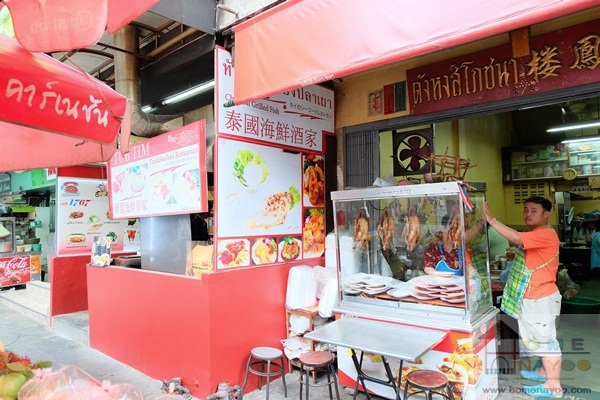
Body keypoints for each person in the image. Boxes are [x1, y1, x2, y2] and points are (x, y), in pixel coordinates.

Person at [483, 196, 562, 398]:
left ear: (546, 214)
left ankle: (553, 386)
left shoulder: (545, 234)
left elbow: (517, 238)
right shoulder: (536, 233)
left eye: (534, 211)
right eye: (526, 209)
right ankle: (543, 371)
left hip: (540, 299)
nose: (527, 214)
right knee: (539, 338)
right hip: (533, 298)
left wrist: (492, 221)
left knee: (546, 342)